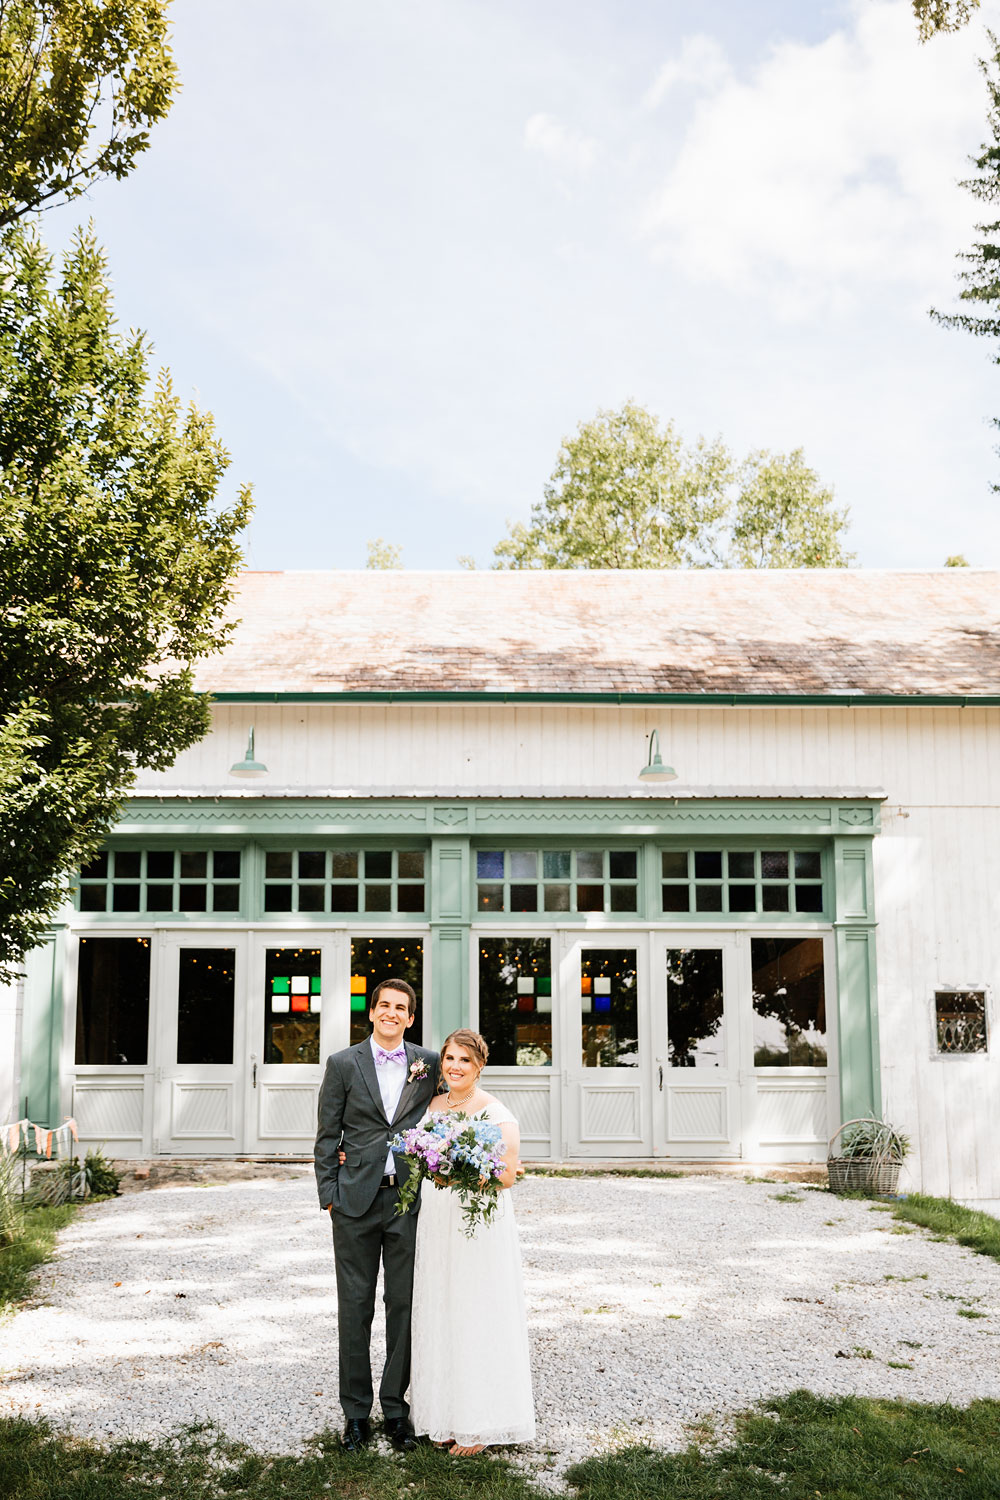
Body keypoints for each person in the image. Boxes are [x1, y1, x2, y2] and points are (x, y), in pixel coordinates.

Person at [314, 978, 440, 1453]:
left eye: (401, 1008)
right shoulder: (343, 1064)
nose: (391, 1013)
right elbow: (327, 1136)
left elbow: (454, 1105)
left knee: (403, 1305)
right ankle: (355, 1415)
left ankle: (395, 1410)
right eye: (383, 1005)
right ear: (372, 1013)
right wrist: (330, 1194)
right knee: (356, 1306)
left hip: (407, 1200)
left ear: (410, 1017)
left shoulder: (427, 1064)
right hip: (353, 1203)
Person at [408, 1028, 535, 1456]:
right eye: (449, 1058)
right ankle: (443, 1413)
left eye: (464, 1060)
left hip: (476, 1224)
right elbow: (419, 1154)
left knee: (475, 1310)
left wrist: (462, 1167)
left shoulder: (496, 1113)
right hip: (438, 1219)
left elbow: (507, 1175)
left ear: (479, 1066)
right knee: (441, 1307)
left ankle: (479, 1422)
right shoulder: (433, 1105)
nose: (455, 1067)